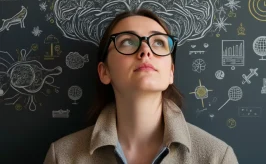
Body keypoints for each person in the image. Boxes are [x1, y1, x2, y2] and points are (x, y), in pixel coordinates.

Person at [44, 8, 238, 164]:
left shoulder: (216, 157)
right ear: (104, 72)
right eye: (128, 41)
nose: (145, 50)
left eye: (159, 43)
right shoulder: (62, 156)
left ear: (170, 72)